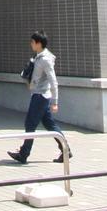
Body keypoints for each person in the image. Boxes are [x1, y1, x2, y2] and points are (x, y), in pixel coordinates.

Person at [8, 31, 71, 163]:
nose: (31, 44)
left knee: (30, 124)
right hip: (39, 94)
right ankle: (66, 151)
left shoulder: (45, 59)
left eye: (32, 42)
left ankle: (24, 154)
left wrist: (55, 101)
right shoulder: (38, 57)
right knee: (50, 125)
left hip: (41, 96)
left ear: (39, 43)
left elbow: (53, 81)